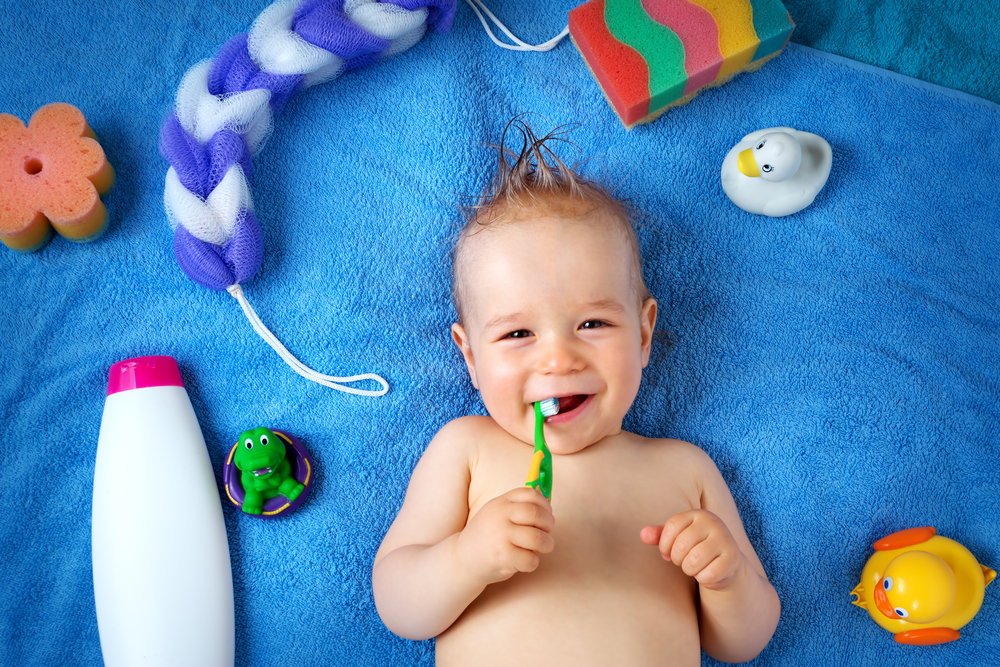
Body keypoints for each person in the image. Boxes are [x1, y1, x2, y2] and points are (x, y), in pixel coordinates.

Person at [372, 119, 780, 665]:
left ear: (642, 334)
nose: (559, 358)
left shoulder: (684, 470)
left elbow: (742, 644)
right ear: (470, 356)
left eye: (593, 324)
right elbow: (401, 609)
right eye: (518, 334)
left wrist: (727, 578)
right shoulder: (466, 448)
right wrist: (468, 558)